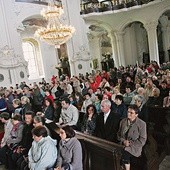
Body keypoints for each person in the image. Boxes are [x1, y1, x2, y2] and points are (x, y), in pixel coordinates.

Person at [117, 105, 147, 170]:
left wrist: (130, 143)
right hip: (122, 144)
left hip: (134, 147)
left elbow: (142, 140)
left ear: (136, 114)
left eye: (131, 113)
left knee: (125, 152)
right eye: (128, 112)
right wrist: (123, 141)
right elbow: (118, 135)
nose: (128, 114)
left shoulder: (142, 124)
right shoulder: (123, 121)